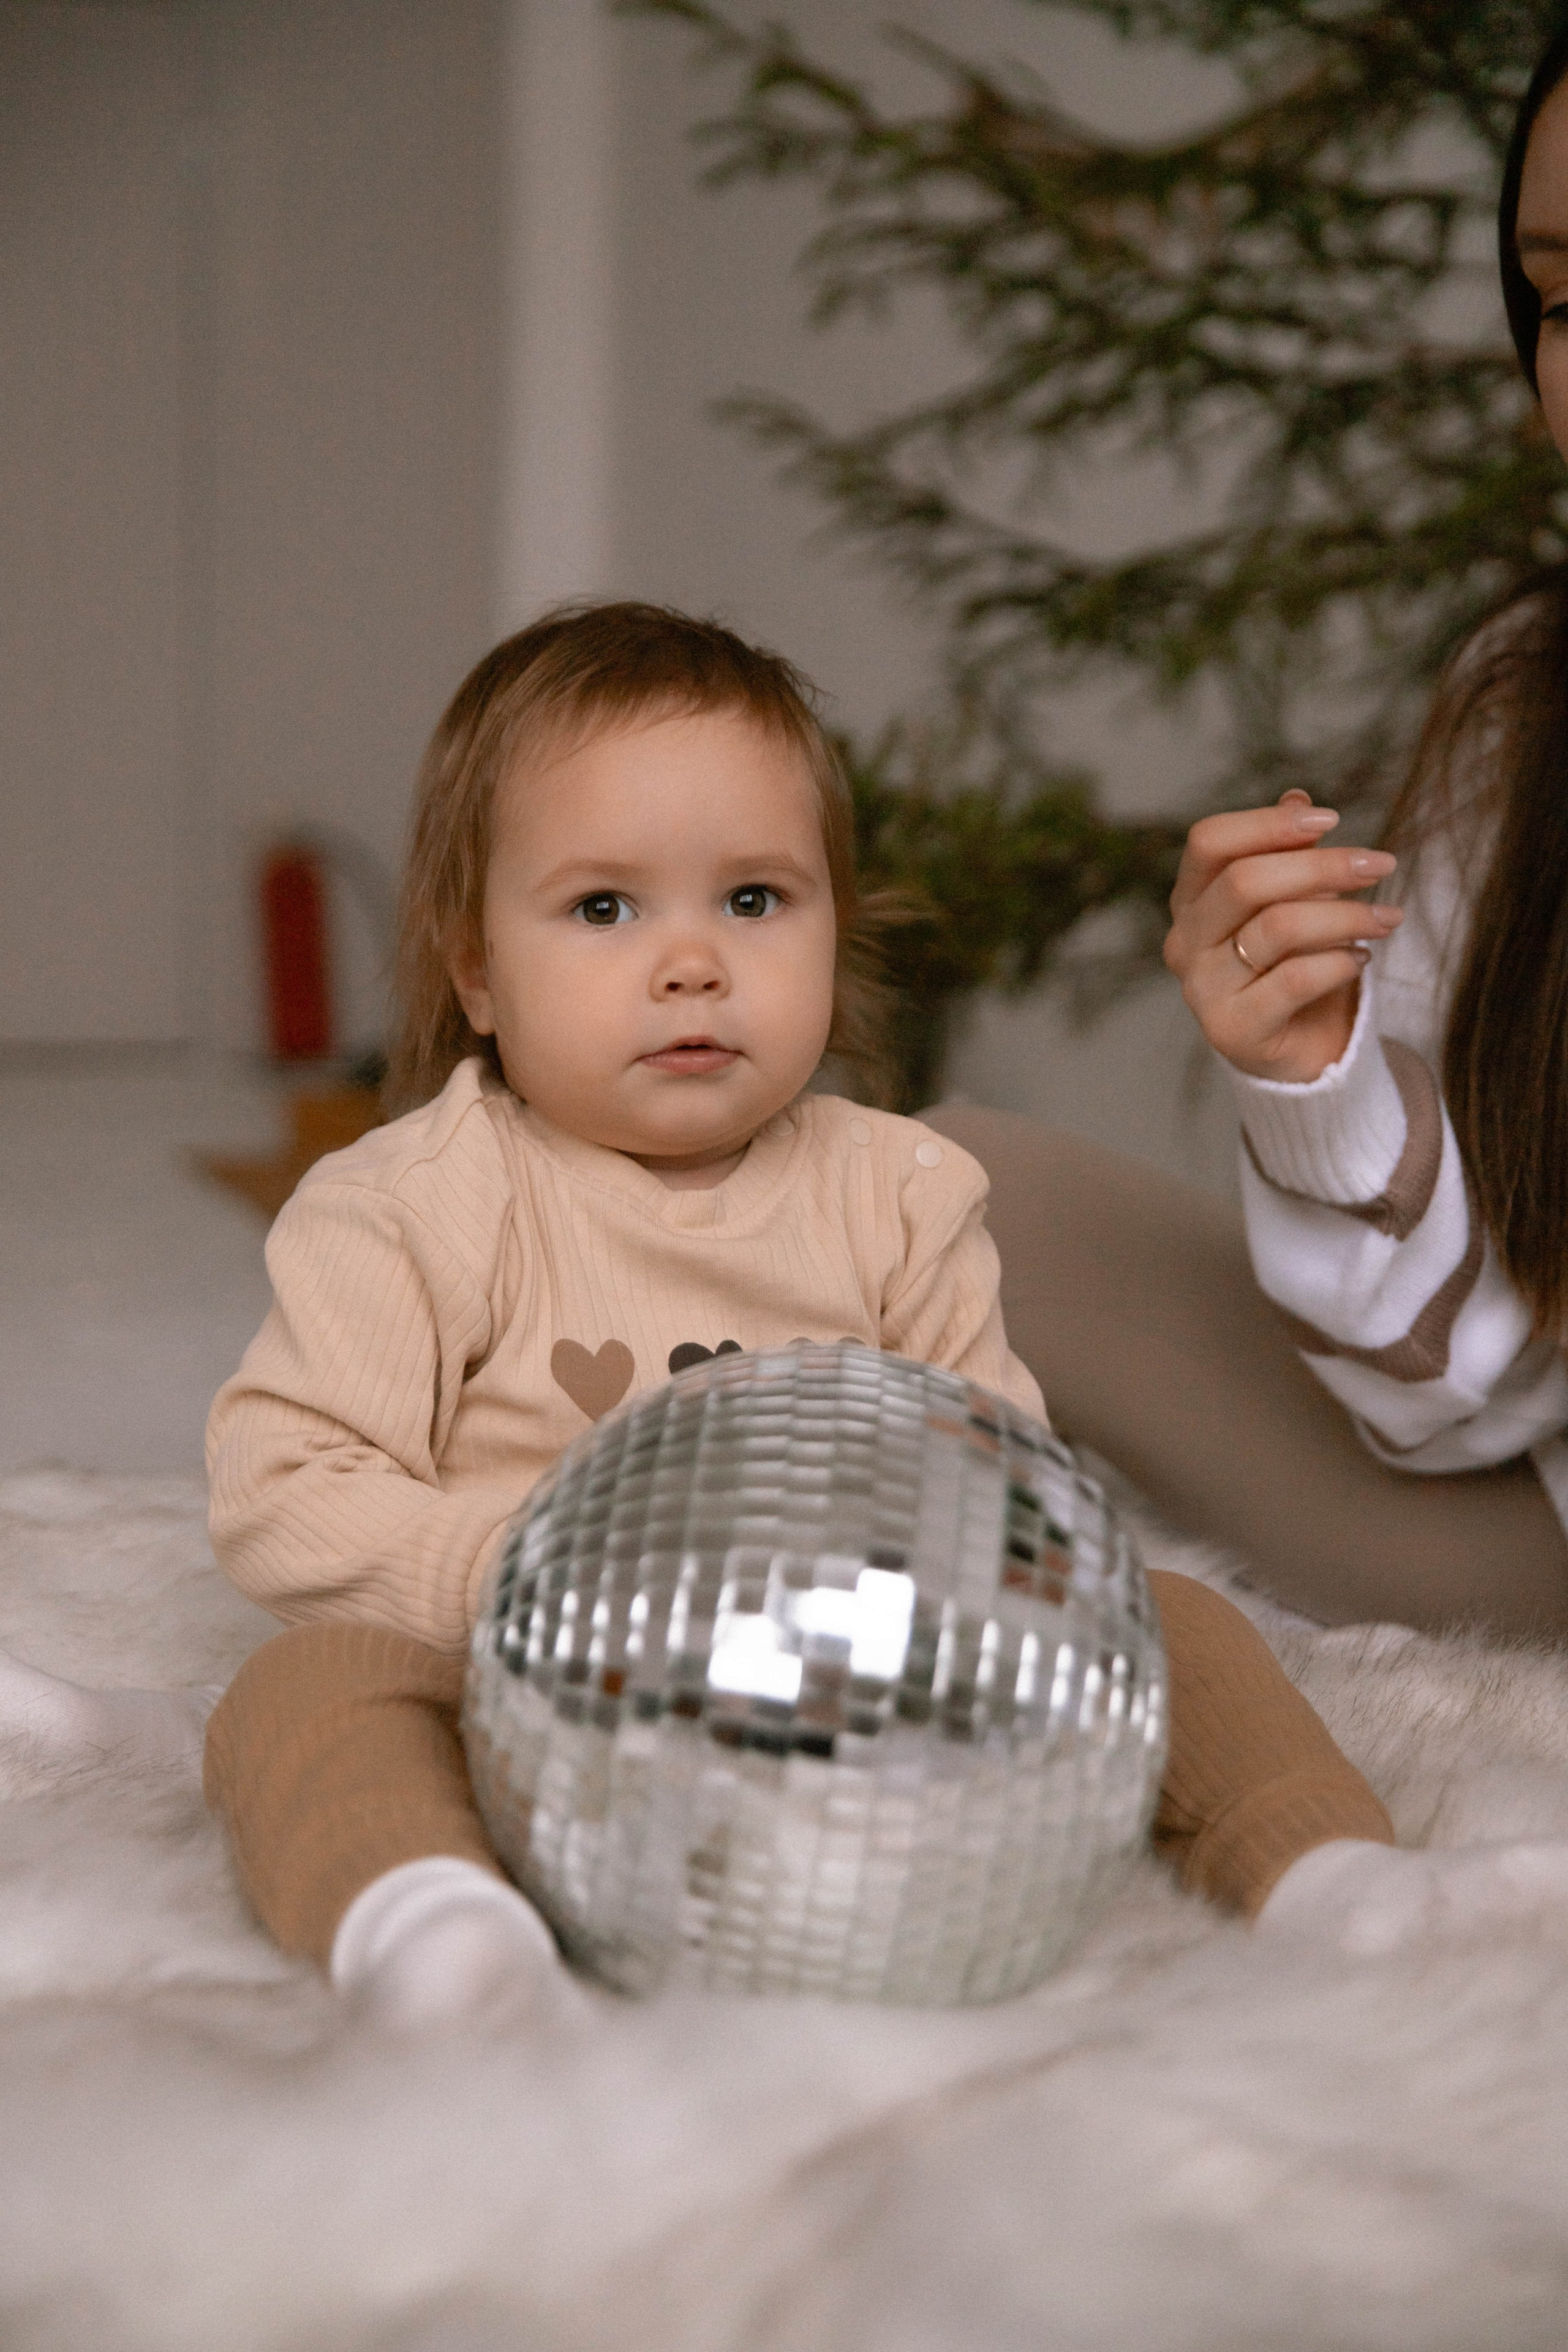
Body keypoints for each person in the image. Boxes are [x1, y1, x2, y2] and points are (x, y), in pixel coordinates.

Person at [179, 598, 1555, 2025]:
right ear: (473, 968)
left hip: (852, 1700)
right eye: (603, 908)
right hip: (525, 1694)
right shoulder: (412, 1201)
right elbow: (284, 1494)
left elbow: (999, 1480)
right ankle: (438, 1929)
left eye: (755, 900)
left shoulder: (902, 1194)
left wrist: (963, 1621)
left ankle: (1327, 1876)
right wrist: (547, 1578)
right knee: (308, 1687)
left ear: (836, 930)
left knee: (1173, 1619)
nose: (690, 961)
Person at [1150, 22, 1568, 1635]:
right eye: (1560, 294)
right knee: (963, 1188)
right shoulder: (1523, 702)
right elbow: (1459, 1398)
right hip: (1522, 1541)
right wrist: (1318, 1085)